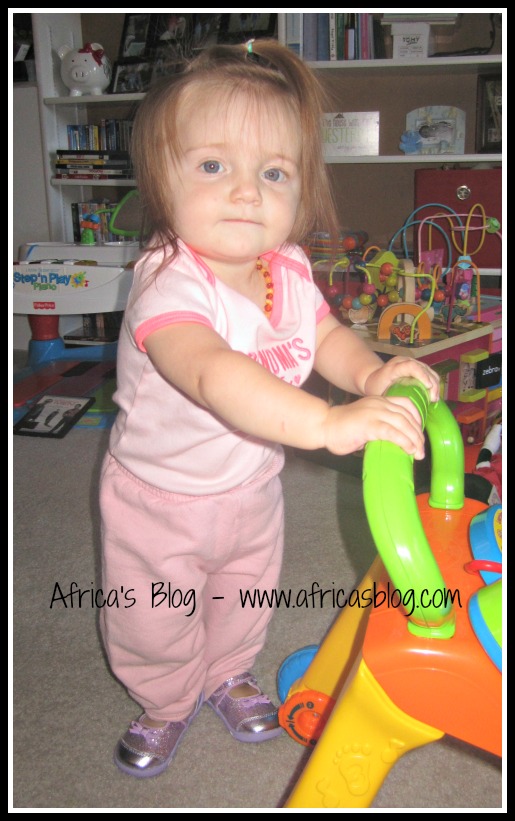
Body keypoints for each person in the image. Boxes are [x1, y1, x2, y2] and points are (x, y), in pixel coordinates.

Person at [99, 39, 440, 780]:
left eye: (274, 172)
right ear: (159, 177)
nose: (247, 193)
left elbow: (325, 335)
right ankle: (164, 699)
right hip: (160, 498)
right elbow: (214, 374)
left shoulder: (285, 266)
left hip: (251, 485)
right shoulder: (167, 283)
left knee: (244, 592)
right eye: (212, 166)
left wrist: (371, 376)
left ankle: (226, 670)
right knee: (153, 615)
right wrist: (325, 423)